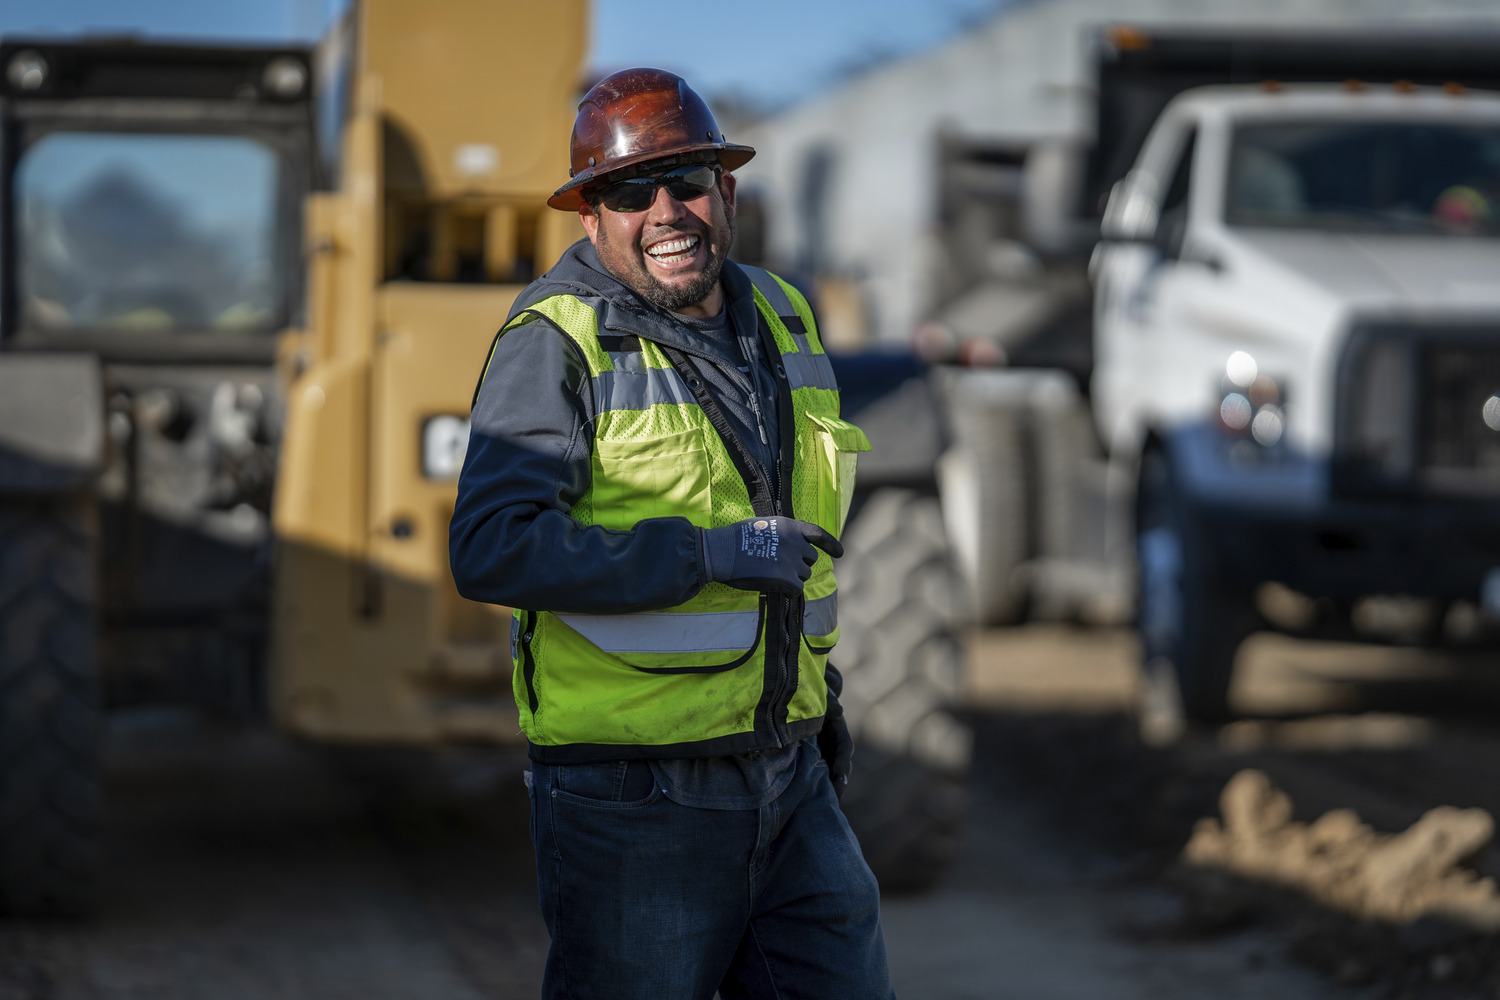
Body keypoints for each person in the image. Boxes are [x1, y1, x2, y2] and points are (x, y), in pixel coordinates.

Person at [449, 68, 893, 1000]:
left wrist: (816, 703)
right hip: (634, 800)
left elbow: (799, 530)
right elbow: (492, 546)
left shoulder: (782, 314)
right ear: (590, 218)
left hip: (789, 772)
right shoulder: (556, 341)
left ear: (726, 192)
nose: (665, 212)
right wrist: (702, 557)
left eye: (686, 181)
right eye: (628, 191)